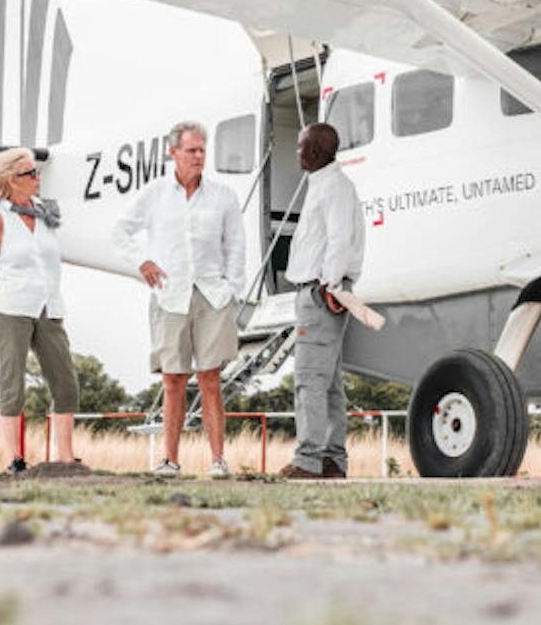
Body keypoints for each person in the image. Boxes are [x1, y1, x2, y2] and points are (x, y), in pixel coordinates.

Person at [116, 120, 249, 479]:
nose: (199, 156)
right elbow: (120, 231)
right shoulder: (154, 194)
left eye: (202, 150)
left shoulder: (224, 196)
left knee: (211, 379)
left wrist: (232, 289)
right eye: (191, 150)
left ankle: (219, 460)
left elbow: (236, 246)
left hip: (213, 297)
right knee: (173, 381)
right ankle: (170, 460)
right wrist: (141, 261)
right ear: (172, 152)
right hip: (170, 297)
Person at [0, 147, 80, 473]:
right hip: (11, 310)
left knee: (66, 384)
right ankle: (14, 459)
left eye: (37, 172)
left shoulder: (46, 215)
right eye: (30, 173)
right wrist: (1, 309)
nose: (37, 178)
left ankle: (65, 458)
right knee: (12, 386)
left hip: (49, 307)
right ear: (11, 180)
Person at [281, 121, 366, 479]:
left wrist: (329, 286)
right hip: (323, 289)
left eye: (301, 146)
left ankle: (308, 459)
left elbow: (339, 238)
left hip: (318, 292)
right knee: (329, 383)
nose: (297, 152)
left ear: (313, 151)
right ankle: (331, 459)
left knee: (309, 380)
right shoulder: (328, 185)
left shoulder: (332, 187)